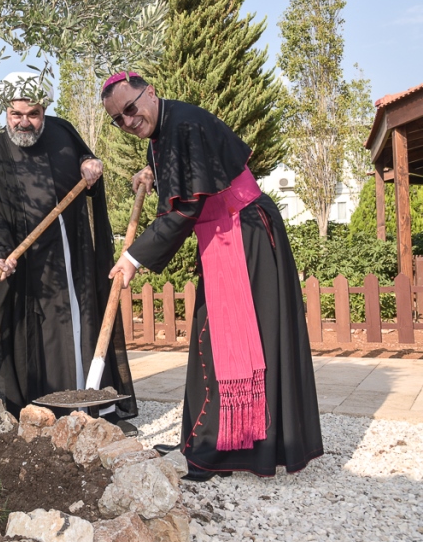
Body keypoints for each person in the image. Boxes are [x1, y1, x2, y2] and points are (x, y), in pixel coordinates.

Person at [102, 71, 323, 481]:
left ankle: (227, 448)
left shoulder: (183, 125)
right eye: (118, 119)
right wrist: (149, 174)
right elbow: (182, 175)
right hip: (229, 234)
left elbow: (185, 207)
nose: (129, 121)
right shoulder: (165, 129)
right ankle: (218, 443)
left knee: (236, 341)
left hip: (246, 234)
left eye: (131, 109)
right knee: (218, 340)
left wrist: (133, 257)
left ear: (150, 92)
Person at [0, 72, 138, 428]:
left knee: (77, 328)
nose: (24, 122)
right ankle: (35, 413)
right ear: (5, 111)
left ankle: (89, 406)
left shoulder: (63, 133)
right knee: (29, 336)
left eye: (32, 114)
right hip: (22, 263)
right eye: (16, 114)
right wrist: (0, 251)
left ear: (44, 110)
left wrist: (90, 167)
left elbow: (88, 170)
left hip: (68, 257)